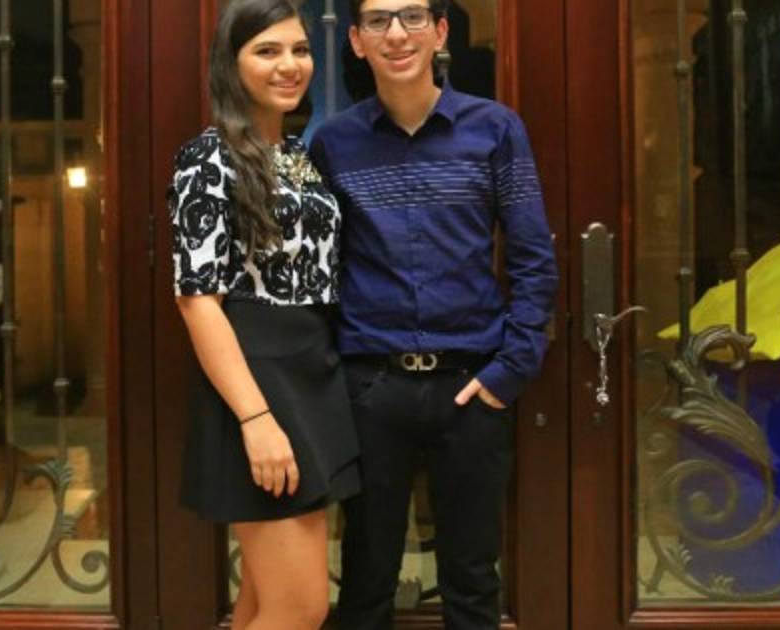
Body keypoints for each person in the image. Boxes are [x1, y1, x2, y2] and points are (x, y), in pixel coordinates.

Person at [309, 0, 558, 627]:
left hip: (471, 387)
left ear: (440, 32)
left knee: (472, 580)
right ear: (358, 41)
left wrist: (510, 371)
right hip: (371, 387)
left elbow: (533, 259)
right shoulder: (334, 143)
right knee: (366, 578)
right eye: (378, 21)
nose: (396, 33)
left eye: (413, 17)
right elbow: (317, 268)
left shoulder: (495, 128)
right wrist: (334, 378)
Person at [169, 1, 360, 628]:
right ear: (231, 63)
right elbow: (197, 300)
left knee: (261, 603)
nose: (290, 65)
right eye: (267, 51)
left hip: (313, 367)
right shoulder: (208, 157)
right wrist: (255, 419)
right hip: (258, 376)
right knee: (301, 608)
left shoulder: (298, 153)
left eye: (300, 50)